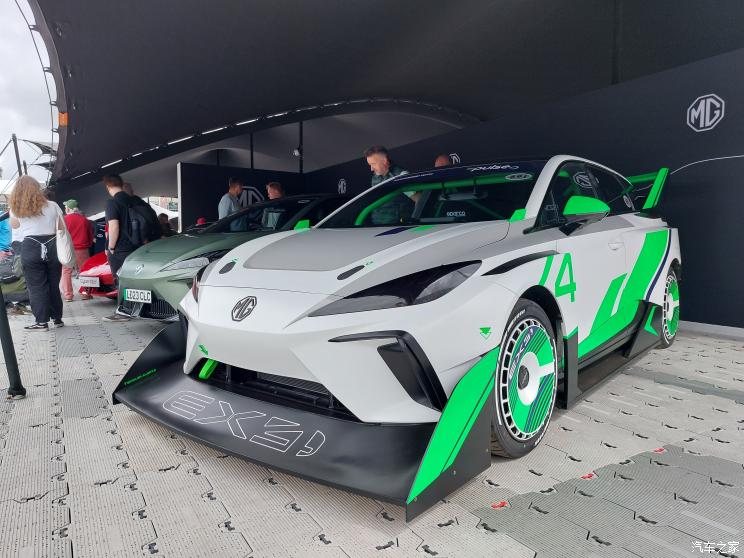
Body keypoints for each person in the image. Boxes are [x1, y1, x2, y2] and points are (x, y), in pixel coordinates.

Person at [8, 176, 66, 331]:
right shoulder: (52, 205)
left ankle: (41, 322)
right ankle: (57, 319)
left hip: (30, 247)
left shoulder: (16, 208)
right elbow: (61, 227)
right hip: (52, 246)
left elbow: (15, 226)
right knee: (53, 284)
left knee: (36, 286)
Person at [101, 174, 136, 322]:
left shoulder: (112, 202)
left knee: (120, 280)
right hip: (137, 246)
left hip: (120, 248)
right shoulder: (133, 200)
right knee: (133, 280)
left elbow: (114, 226)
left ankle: (123, 312)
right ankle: (135, 309)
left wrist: (111, 247)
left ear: (108, 186)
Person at [60, 199, 94, 301]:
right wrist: (88, 245)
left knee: (66, 272)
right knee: (84, 271)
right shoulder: (84, 220)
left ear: (69, 209)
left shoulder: (63, 220)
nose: (65, 209)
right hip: (82, 249)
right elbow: (90, 235)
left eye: (66, 207)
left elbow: (60, 236)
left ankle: (68, 295)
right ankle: (85, 294)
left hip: (67, 250)